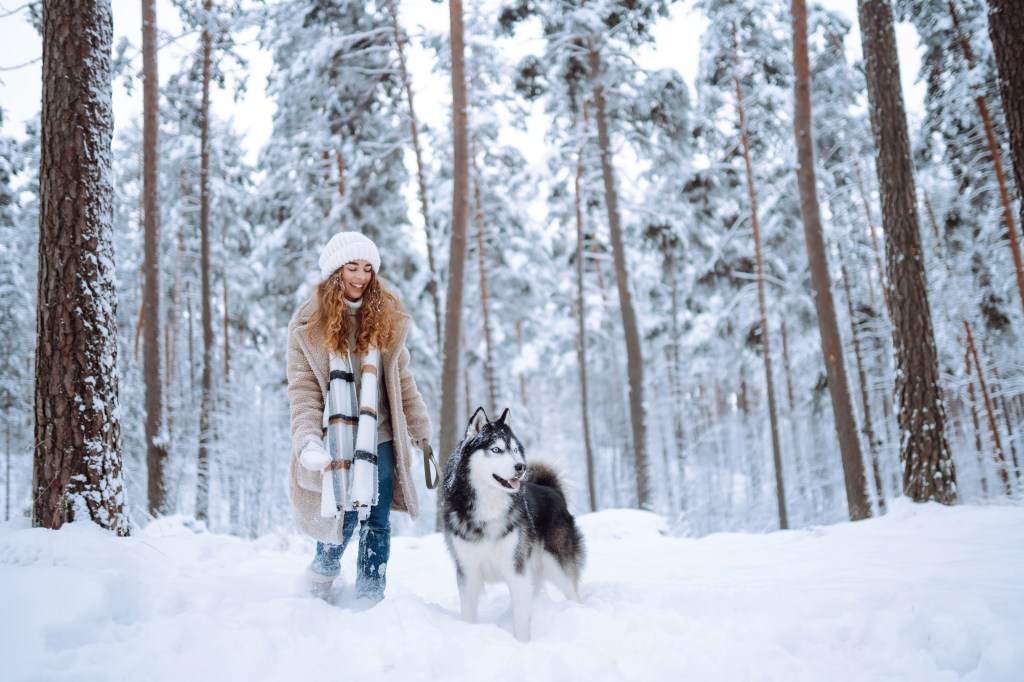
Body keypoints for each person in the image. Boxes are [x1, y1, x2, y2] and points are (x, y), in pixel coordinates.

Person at [286, 231, 431, 601]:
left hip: (379, 434)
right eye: (353, 267)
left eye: (368, 268)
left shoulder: (385, 319)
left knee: (377, 519)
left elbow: (402, 379)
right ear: (336, 272)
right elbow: (303, 393)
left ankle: (370, 595)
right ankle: (322, 574)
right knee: (343, 515)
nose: (361, 276)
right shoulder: (307, 327)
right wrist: (306, 442)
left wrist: (420, 430)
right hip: (335, 437)